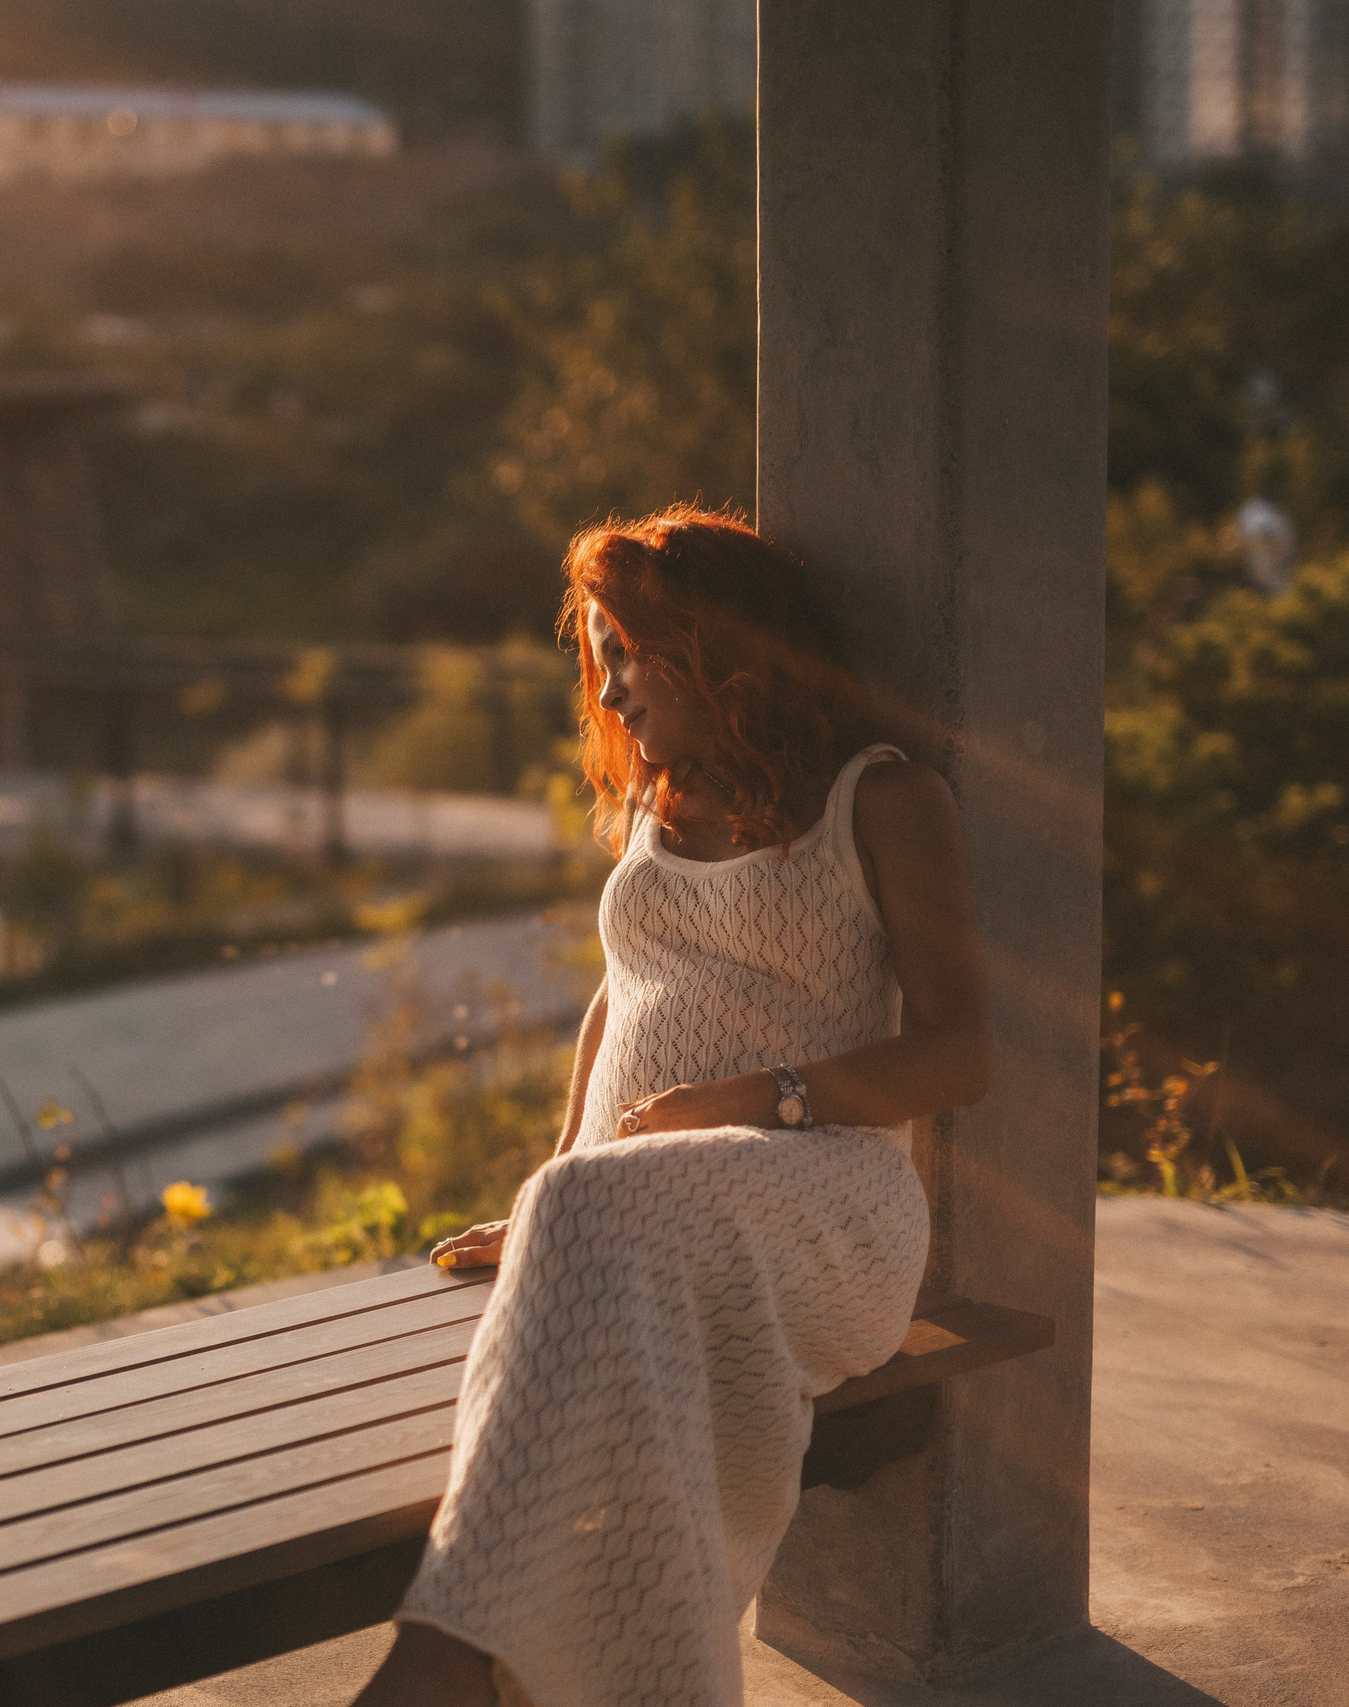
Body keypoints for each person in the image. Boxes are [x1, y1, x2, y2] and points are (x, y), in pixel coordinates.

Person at [355, 506, 992, 1707]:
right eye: (595, 656)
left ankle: (444, 1653)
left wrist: (758, 1099)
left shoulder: (882, 799)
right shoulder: (657, 802)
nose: (605, 689)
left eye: (627, 653)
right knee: (586, 1250)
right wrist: (553, 1187)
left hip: (825, 1208)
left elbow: (961, 1054)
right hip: (637, 1216)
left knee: (592, 1232)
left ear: (715, 648)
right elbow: (623, 995)